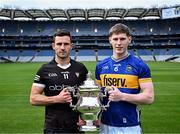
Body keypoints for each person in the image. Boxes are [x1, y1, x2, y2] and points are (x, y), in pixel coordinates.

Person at [95, 23, 154, 134]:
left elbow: (149, 97)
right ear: (110, 40)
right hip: (105, 124)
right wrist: (93, 114)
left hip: (130, 126)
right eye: (115, 39)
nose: (118, 43)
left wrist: (122, 96)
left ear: (129, 39)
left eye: (122, 39)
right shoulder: (100, 66)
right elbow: (97, 94)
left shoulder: (140, 65)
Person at [30, 29, 88, 133]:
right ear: (53, 46)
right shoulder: (44, 69)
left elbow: (88, 95)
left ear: (71, 46)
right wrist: (57, 98)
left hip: (76, 127)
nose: (62, 47)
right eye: (59, 44)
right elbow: (33, 99)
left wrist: (85, 115)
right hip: (53, 128)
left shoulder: (81, 68)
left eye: (66, 44)